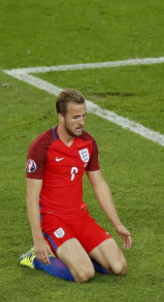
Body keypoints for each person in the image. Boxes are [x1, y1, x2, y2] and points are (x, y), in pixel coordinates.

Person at [18, 88, 132, 282]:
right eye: (76, 117)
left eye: (84, 116)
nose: (82, 122)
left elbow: (99, 184)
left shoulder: (88, 143)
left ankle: (80, 255)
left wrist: (117, 223)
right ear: (61, 117)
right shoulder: (42, 146)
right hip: (53, 220)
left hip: (80, 218)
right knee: (84, 273)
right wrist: (38, 239)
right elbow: (32, 195)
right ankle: (35, 259)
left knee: (119, 267)